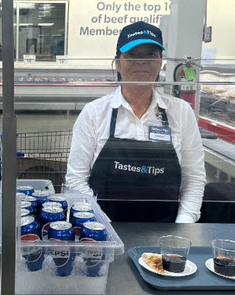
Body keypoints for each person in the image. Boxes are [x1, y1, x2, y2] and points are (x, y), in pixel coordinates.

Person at [65, 21, 206, 223]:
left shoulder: (181, 112)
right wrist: (102, 226)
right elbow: (76, 180)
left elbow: (194, 178)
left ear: (161, 63)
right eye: (132, 54)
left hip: (166, 231)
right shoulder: (94, 113)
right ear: (117, 63)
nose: (142, 62)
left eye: (151, 54)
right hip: (103, 230)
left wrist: (182, 226)